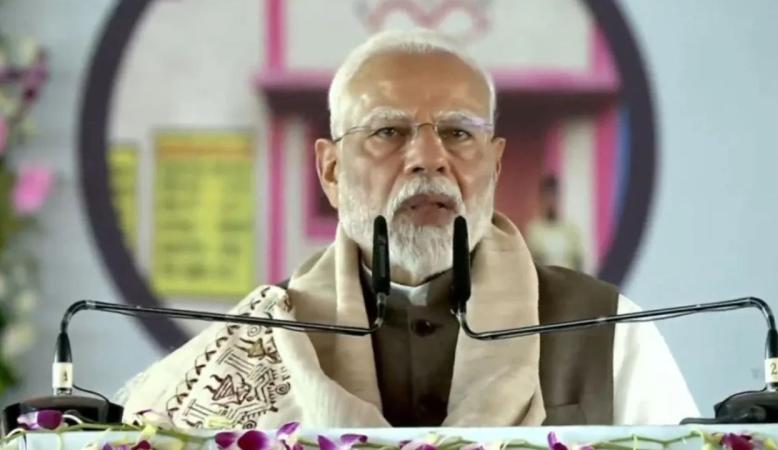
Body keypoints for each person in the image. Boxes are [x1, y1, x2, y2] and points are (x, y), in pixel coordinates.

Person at [119, 29, 698, 428]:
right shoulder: (264, 341)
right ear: (330, 169)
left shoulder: (604, 328)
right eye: (389, 132)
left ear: (495, 164)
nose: (428, 158)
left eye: (458, 133)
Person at [525, 174, 585, 271]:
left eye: (554, 196)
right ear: (541, 199)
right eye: (547, 197)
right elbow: (529, 264)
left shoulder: (571, 230)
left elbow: (580, 262)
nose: (551, 201)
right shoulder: (534, 230)